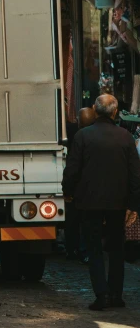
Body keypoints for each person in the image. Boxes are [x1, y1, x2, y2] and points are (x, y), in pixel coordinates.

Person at [62, 94, 140, 310]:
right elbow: (135, 175)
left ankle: (102, 295)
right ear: (115, 112)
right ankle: (116, 295)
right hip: (118, 203)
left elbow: (72, 170)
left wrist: (67, 192)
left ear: (95, 112)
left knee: (94, 249)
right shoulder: (125, 137)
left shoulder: (82, 136)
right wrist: (133, 205)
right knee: (117, 250)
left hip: (89, 202)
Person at [64, 106, 96, 262]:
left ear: (79, 121)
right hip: (98, 189)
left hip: (80, 188)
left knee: (75, 221)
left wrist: (67, 189)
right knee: (89, 222)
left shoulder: (79, 136)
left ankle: (75, 249)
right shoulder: (102, 137)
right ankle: (87, 250)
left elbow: (72, 166)